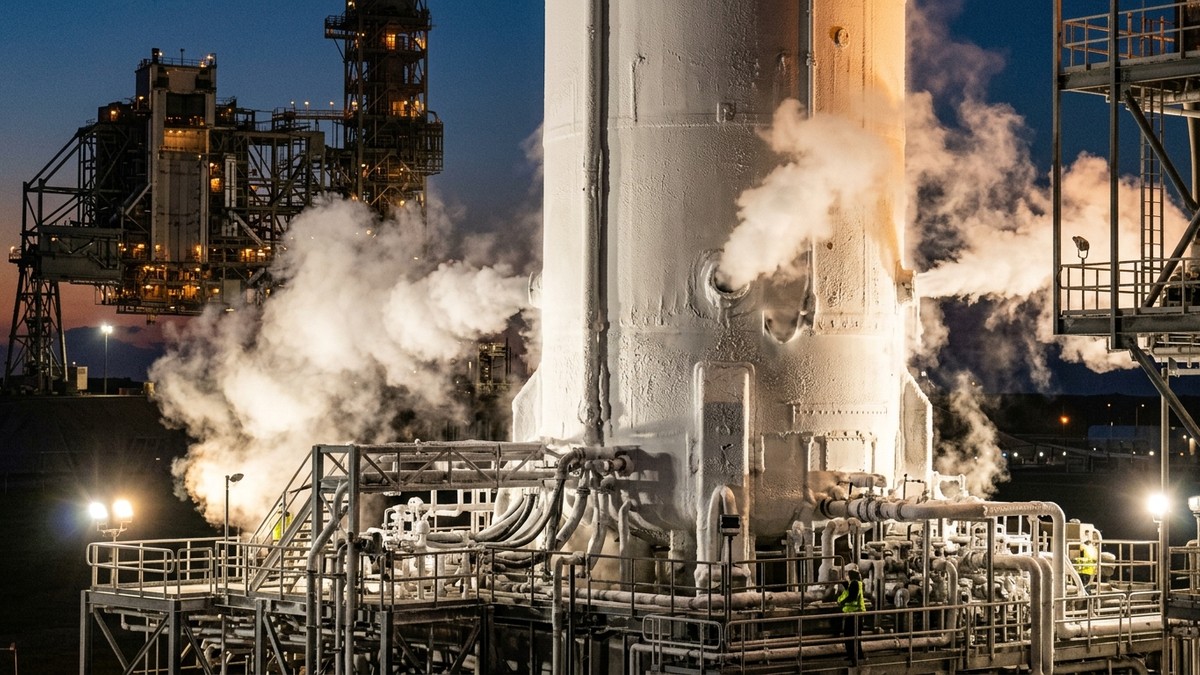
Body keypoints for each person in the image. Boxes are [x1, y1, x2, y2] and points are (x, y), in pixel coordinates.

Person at [837, 568, 866, 666]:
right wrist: (845, 586)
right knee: (854, 636)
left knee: (850, 635)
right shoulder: (855, 584)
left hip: (854, 613)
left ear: (850, 576)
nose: (846, 576)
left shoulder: (854, 583)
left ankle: (855, 657)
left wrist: (842, 602)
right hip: (854, 614)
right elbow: (849, 593)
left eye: (847, 575)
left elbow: (852, 596)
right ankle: (856, 655)